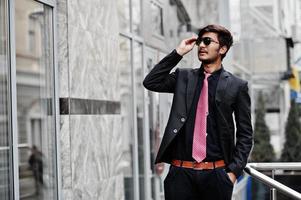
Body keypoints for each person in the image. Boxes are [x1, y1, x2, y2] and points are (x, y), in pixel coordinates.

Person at [143, 24, 253, 200]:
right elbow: (151, 82)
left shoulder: (237, 86)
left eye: (207, 41)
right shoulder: (183, 78)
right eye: (200, 41)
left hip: (216, 176)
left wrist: (232, 173)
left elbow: (245, 135)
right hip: (180, 175)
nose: (201, 45)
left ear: (222, 49)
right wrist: (178, 53)